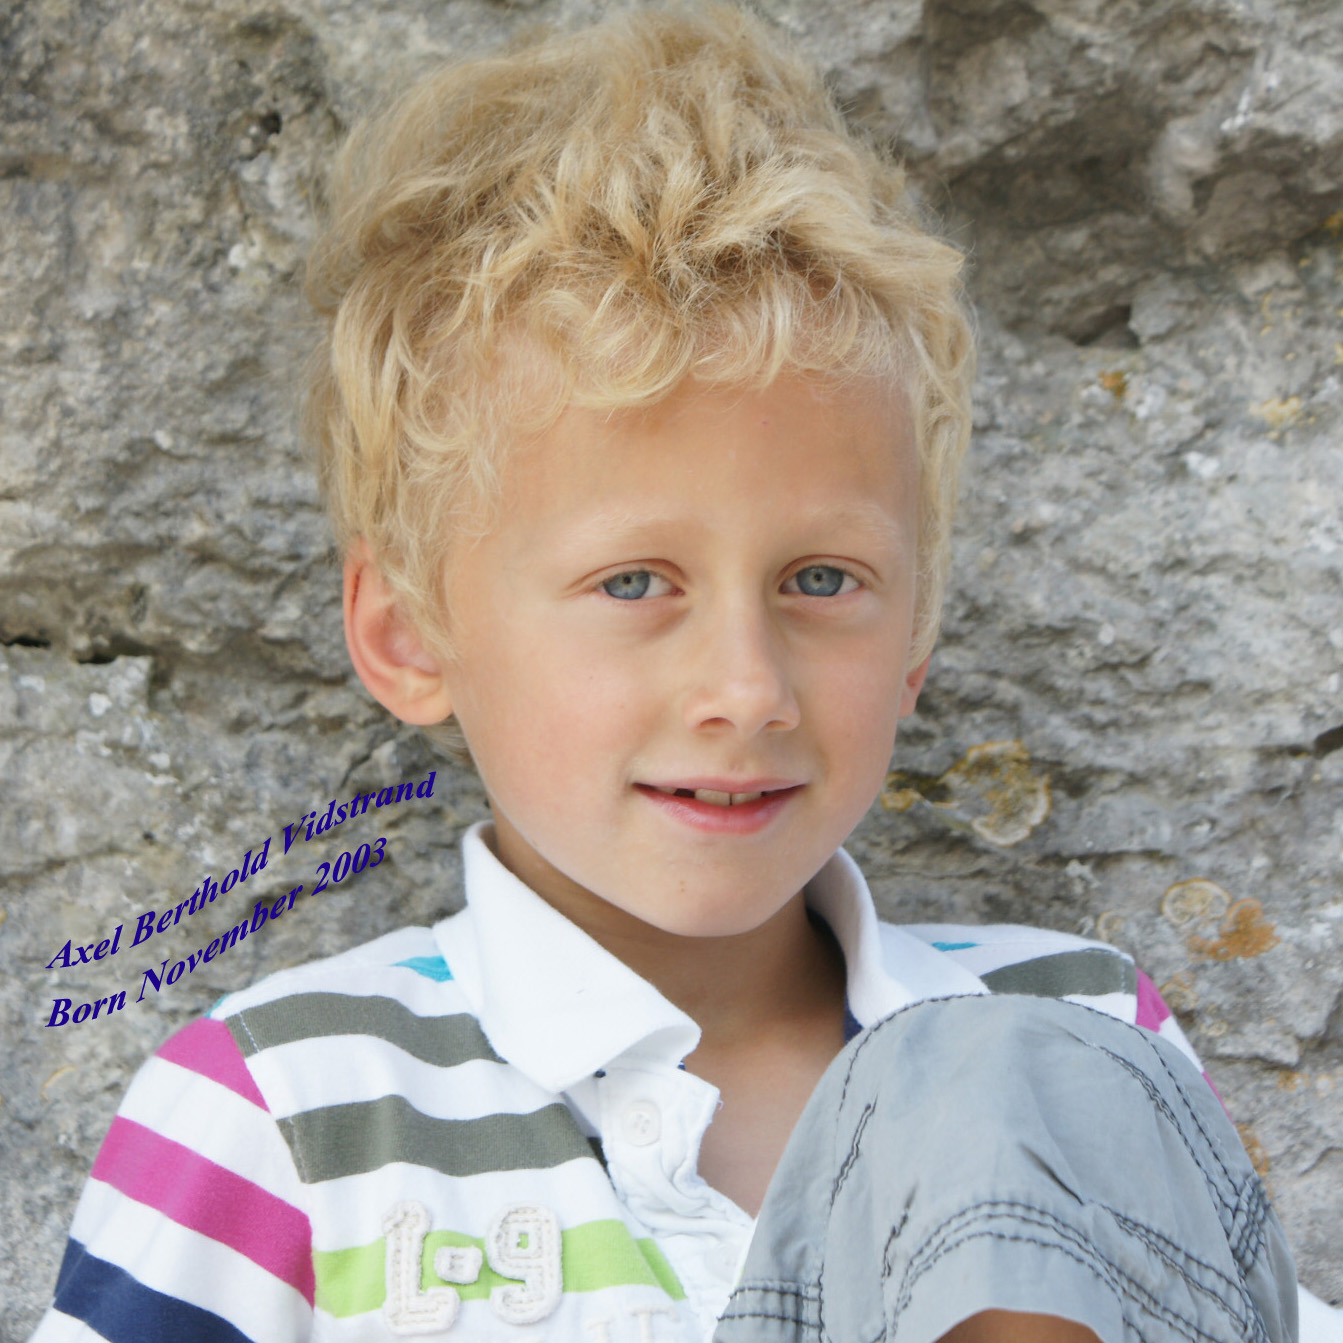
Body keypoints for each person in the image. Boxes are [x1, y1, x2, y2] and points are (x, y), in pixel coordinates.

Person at [30, 5, 1341, 1342]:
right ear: (409, 634)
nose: (746, 689)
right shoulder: (284, 1113)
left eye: (820, 581)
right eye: (633, 584)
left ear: (919, 631)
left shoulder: (1078, 1032)